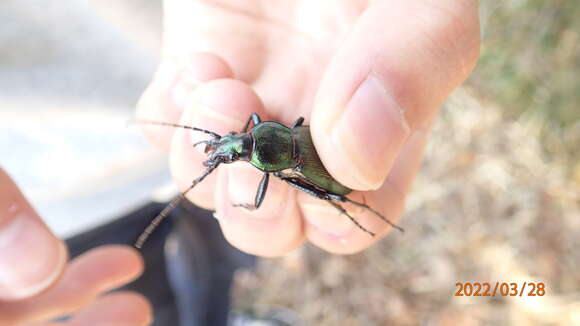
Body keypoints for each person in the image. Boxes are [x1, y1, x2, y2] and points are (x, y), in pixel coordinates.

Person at [0, 1, 479, 324]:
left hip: (84, 202)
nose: (226, 146)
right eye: (230, 145)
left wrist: (251, 201)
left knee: (279, 219)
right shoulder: (265, 135)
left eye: (230, 143)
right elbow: (259, 139)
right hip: (76, 209)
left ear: (245, 136)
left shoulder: (265, 144)